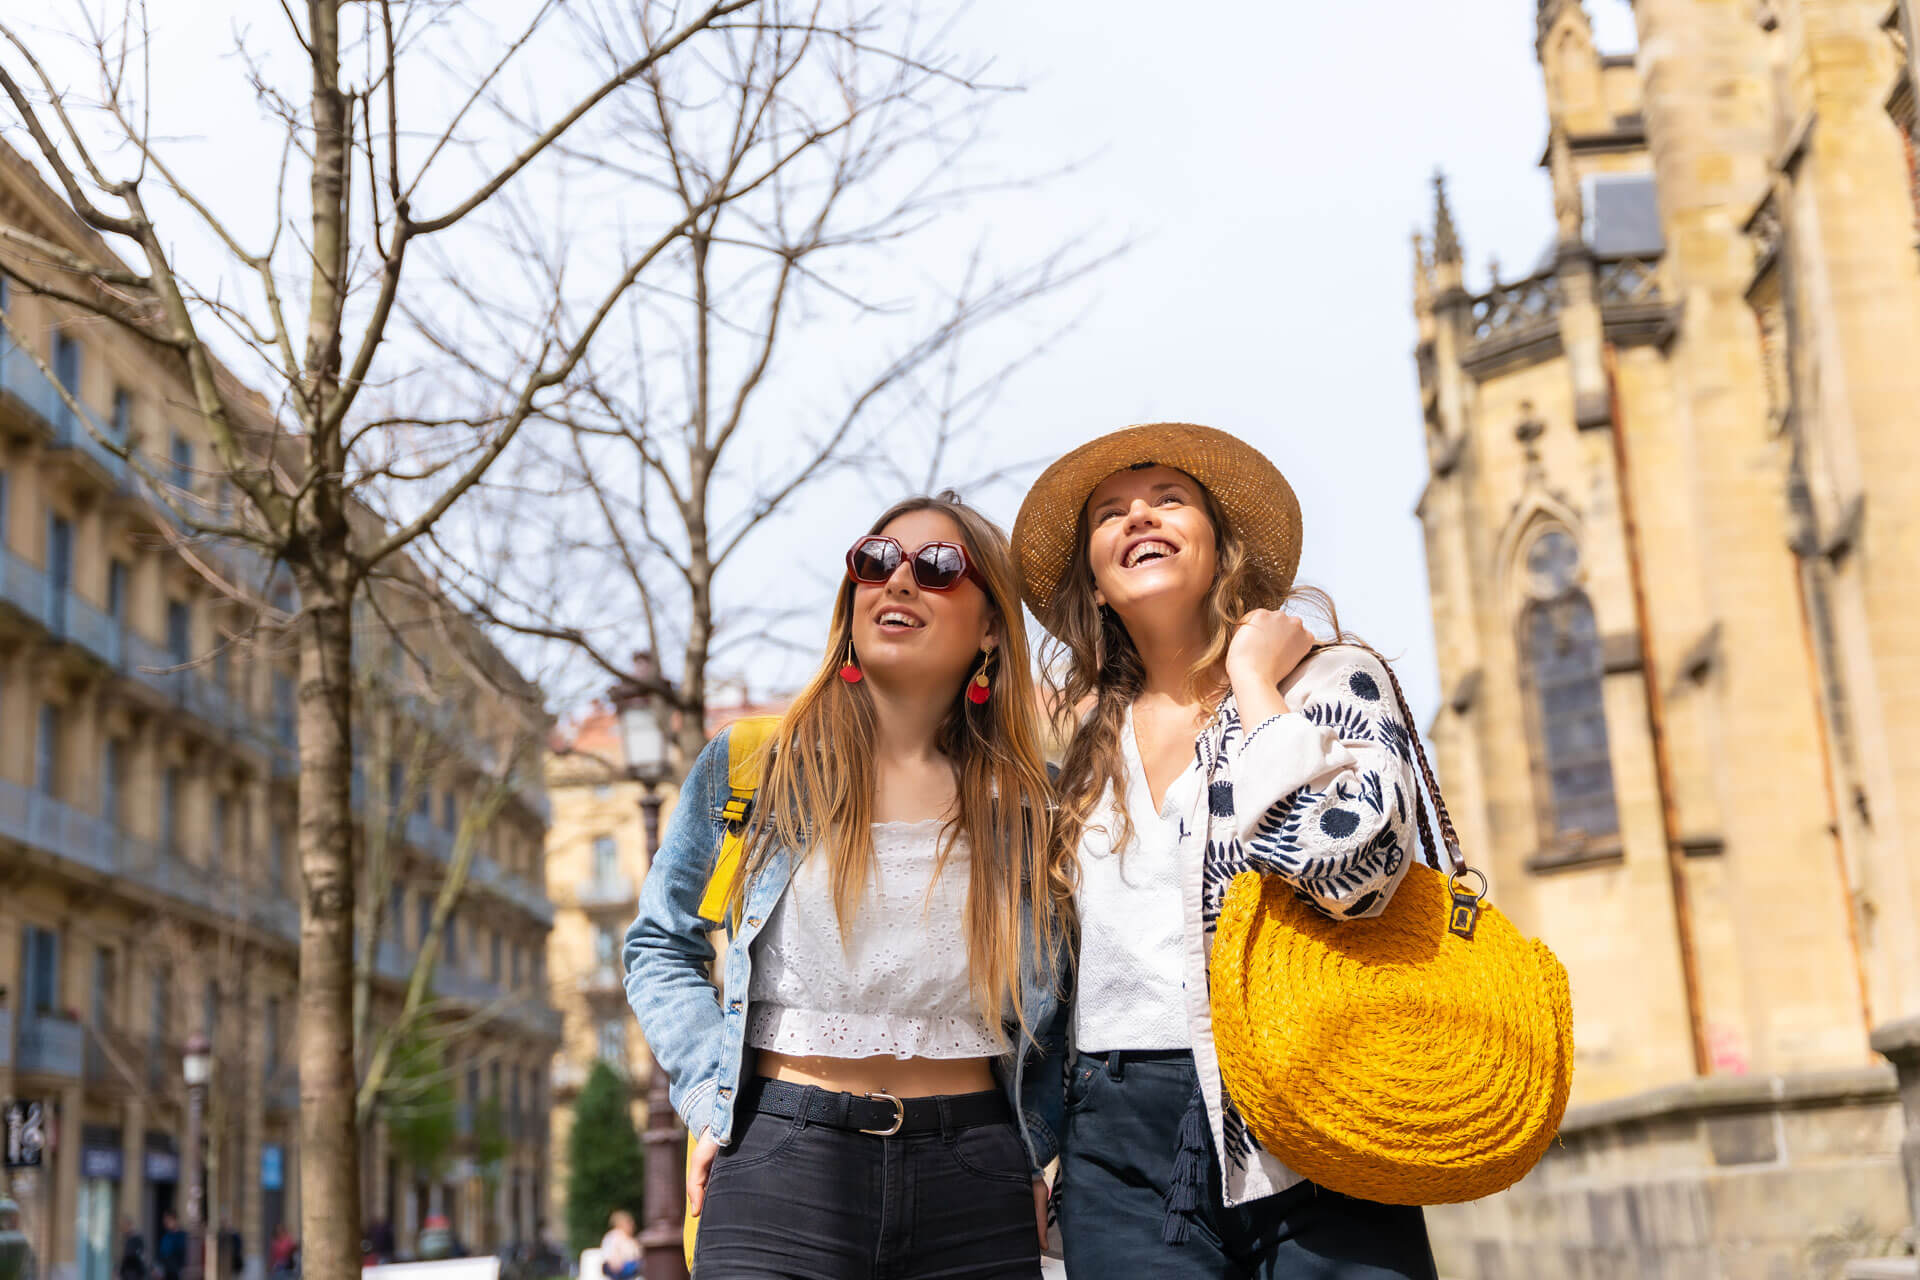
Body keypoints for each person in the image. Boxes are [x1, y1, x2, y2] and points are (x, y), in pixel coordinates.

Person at [1012, 424, 1441, 1278]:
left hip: (1313, 1100)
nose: (1140, 517)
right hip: (1116, 1134)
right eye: (1110, 513)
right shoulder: (1073, 748)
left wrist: (1254, 689)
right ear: (1093, 582)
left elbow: (1358, 870)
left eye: (1169, 499)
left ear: (1221, 547)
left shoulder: (1325, 679)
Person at [627, 491, 1071, 1279]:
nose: (897, 582)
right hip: (780, 1168)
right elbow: (661, 943)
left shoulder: (1035, 803)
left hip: (976, 1178)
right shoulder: (757, 768)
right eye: (876, 561)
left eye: (937, 569)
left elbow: (1074, 1000)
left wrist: (1048, 1148)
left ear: (992, 627)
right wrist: (708, 1093)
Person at [597, 1212, 639, 1280]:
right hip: (619, 1269)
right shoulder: (615, 1236)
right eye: (629, 1223)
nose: (632, 1226)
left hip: (628, 1267)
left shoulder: (630, 1238)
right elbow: (613, 1258)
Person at [154, 1214, 186, 1280]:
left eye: (168, 1221)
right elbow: (160, 1254)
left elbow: (183, 1252)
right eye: (165, 1222)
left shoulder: (182, 1236)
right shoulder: (166, 1237)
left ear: (175, 1220)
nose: (166, 1224)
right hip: (166, 1271)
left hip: (177, 1270)